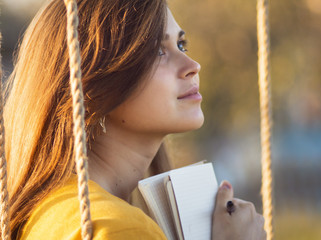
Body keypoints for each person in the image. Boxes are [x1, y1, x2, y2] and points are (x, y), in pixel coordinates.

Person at [4, 0, 266, 239]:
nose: (192, 65)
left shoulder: (52, 209)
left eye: (181, 44)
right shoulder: (118, 228)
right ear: (93, 86)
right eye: (156, 51)